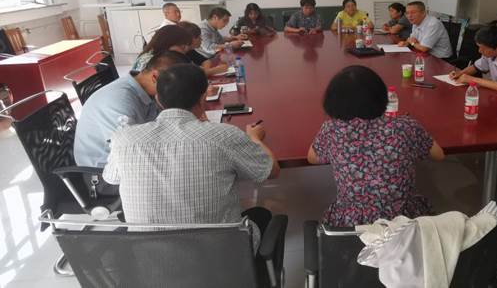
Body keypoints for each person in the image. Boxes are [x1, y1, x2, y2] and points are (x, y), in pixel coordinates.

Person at [103, 64, 279, 251]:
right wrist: (254, 138)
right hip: (220, 256)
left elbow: (111, 177)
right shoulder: (224, 135)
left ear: (158, 99)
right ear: (203, 98)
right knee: (261, 215)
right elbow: (270, 171)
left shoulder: (123, 138)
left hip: (150, 258)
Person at [307, 65, 445, 227]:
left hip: (353, 225)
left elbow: (312, 157)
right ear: (381, 97)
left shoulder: (331, 130)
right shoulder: (405, 126)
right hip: (403, 223)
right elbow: (439, 155)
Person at [74, 51, 189, 168]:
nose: (177, 93)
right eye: (176, 88)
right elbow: (130, 152)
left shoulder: (146, 91)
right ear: (155, 77)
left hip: (132, 154)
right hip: (103, 169)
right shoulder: (120, 101)